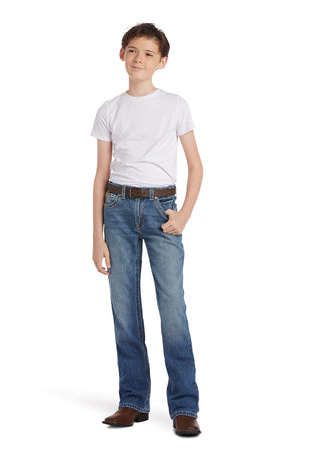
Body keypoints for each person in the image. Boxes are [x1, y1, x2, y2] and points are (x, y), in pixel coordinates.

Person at [90, 22, 203, 437]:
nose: (139, 59)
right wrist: (97, 234)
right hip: (117, 208)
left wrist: (184, 214)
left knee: (172, 309)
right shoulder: (109, 109)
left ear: (162, 62)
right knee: (124, 309)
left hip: (161, 210)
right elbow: (101, 173)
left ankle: (184, 406)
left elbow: (196, 164)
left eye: (149, 53)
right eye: (132, 50)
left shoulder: (174, 105)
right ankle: (133, 400)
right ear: (122, 54)